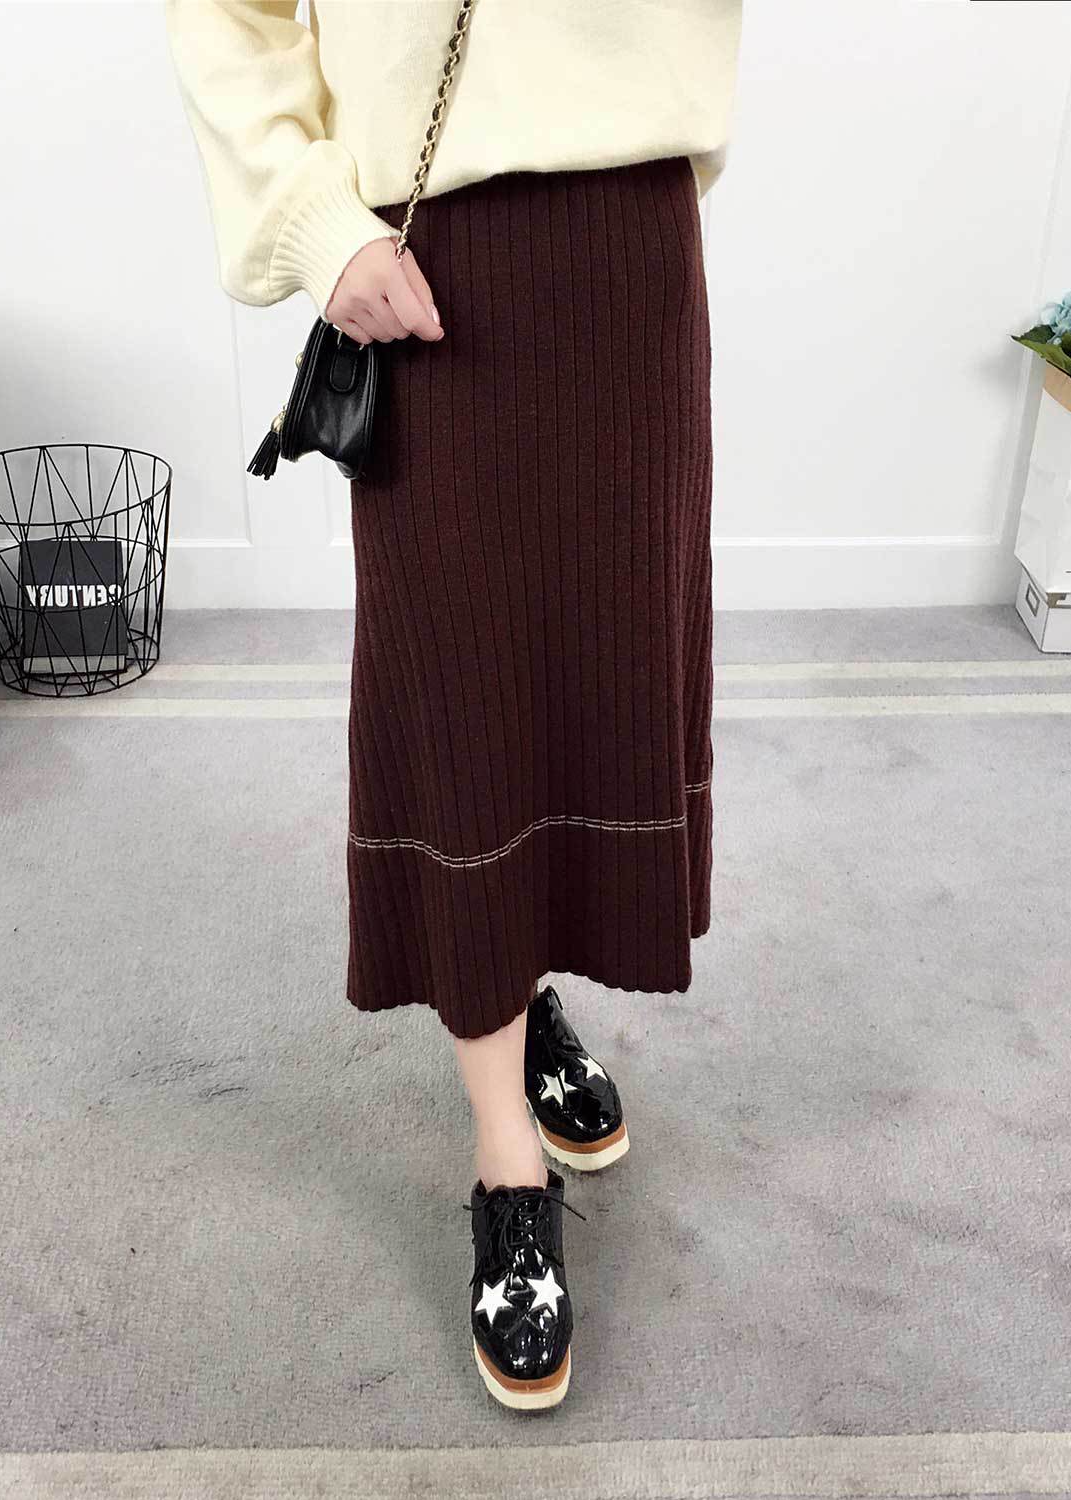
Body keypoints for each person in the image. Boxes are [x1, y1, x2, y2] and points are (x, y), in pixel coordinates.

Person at [164, 0, 743, 1411]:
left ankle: (525, 994)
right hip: (427, 251)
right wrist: (318, 225)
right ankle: (505, 1159)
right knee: (460, 701)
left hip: (631, 240)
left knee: (604, 677)